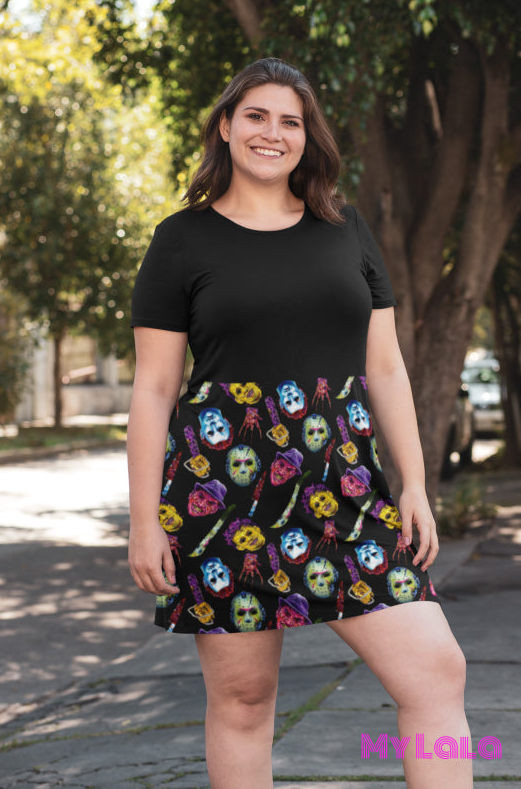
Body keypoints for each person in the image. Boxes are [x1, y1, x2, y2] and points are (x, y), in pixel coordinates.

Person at [127, 57, 473, 789]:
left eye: (291, 122)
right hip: (222, 495)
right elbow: (154, 389)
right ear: (226, 126)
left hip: (345, 488)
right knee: (244, 700)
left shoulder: (346, 230)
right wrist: (143, 521)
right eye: (256, 116)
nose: (272, 133)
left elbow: (386, 369)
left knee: (436, 672)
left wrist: (414, 483)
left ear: (307, 138)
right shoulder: (180, 240)